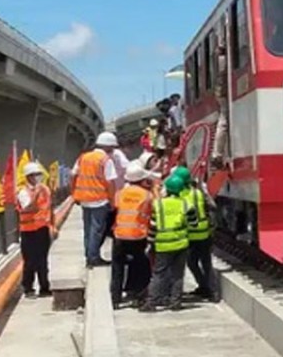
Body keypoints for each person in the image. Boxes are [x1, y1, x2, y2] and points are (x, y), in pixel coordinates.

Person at [141, 175, 198, 312]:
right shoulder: (186, 204)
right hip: (181, 244)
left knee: (158, 274)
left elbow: (153, 226)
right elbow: (193, 224)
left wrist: (150, 242)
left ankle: (151, 302)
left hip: (162, 244)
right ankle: (175, 302)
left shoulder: (159, 204)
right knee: (178, 274)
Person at [71, 131, 121, 267]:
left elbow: (73, 175)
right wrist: (112, 202)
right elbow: (110, 183)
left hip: (84, 199)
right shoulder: (105, 160)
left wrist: (74, 194)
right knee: (97, 231)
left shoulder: (83, 157)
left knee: (88, 231)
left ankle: (89, 256)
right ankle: (93, 258)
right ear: (108, 147)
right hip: (99, 200)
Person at [111, 163, 157, 308]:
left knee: (117, 267)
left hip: (120, 235)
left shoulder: (119, 194)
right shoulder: (147, 195)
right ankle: (139, 295)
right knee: (140, 265)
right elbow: (155, 211)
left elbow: (113, 211)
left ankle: (115, 298)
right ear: (142, 180)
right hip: (138, 236)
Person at [176, 167, 217, 302]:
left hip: (190, 235)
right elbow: (211, 206)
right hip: (204, 233)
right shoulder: (198, 193)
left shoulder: (179, 195)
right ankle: (213, 292)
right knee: (207, 263)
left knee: (192, 263)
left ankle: (203, 286)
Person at [16, 161, 55, 297]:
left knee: (42, 260)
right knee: (30, 261)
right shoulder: (23, 192)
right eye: (34, 175)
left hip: (42, 229)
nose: (37, 177)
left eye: (38, 174)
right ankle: (28, 288)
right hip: (28, 230)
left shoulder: (44, 189)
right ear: (28, 177)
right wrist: (36, 195)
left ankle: (45, 288)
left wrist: (53, 227)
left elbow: (50, 208)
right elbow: (28, 208)